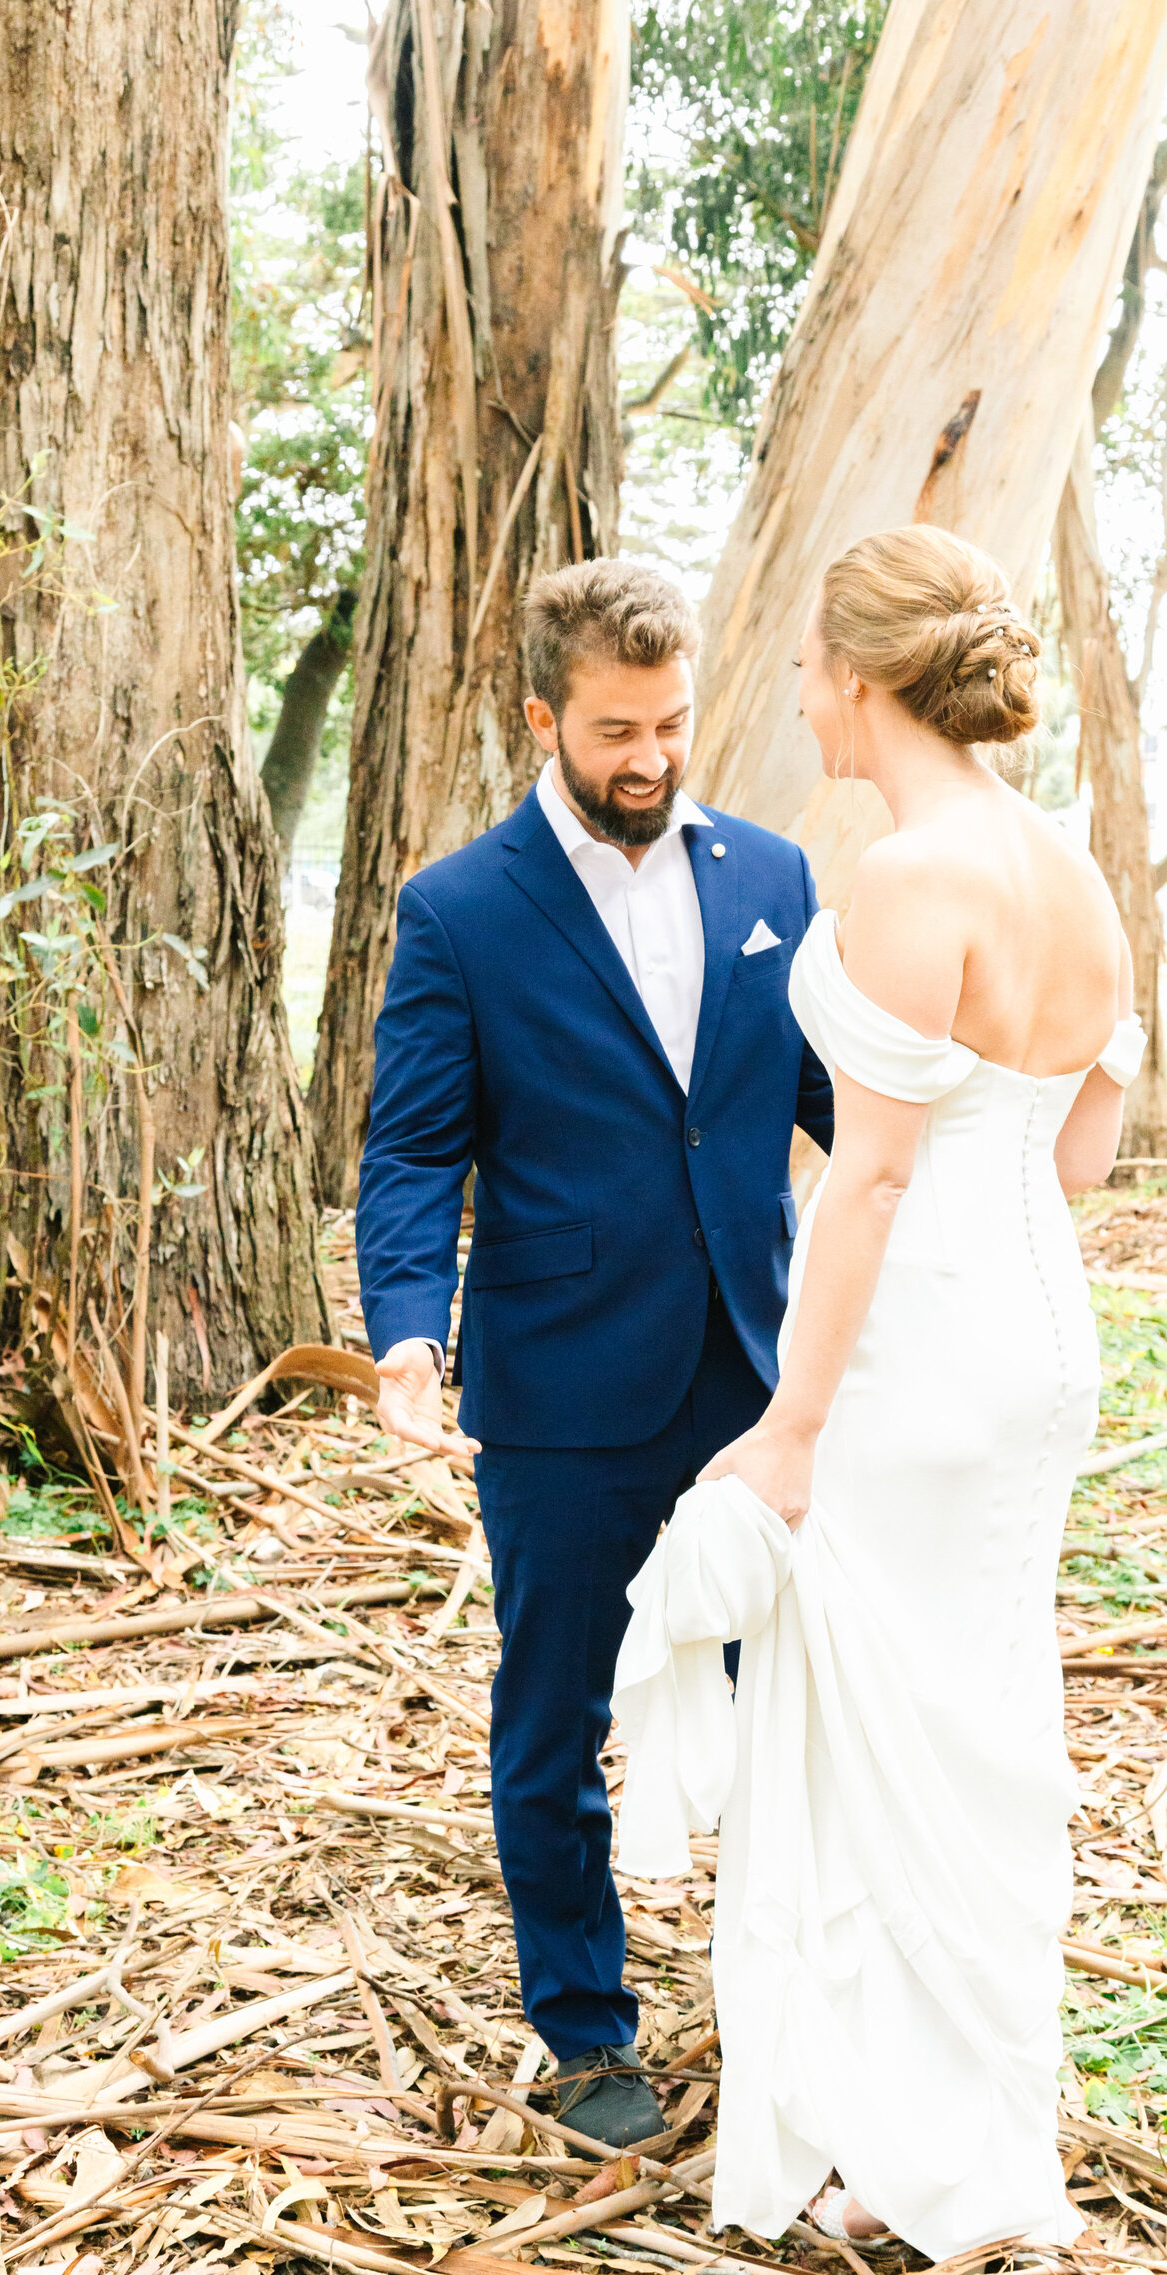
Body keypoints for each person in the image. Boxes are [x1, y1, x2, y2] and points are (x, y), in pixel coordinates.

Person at [685, 523, 1144, 2258]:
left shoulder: (904, 877)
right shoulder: (1072, 871)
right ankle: (971, 2110)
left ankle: (896, 2141)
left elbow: (866, 1181)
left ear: (860, 681)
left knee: (876, 1727)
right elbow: (1083, 1152)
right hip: (1040, 1331)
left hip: (918, 1338)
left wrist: (791, 1422)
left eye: (806, 669)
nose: (799, 699)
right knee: (983, 1711)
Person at [355, 559, 834, 2147]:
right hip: (560, 1385)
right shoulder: (461, 909)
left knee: (792, 1702)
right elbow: (415, 1150)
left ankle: (793, 2016)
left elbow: (849, 1104)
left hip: (756, 1375)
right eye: (617, 727)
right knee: (556, 1718)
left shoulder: (776, 876)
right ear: (544, 716)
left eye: (674, 721)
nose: (651, 756)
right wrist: (409, 1340)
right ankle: (586, 2032)